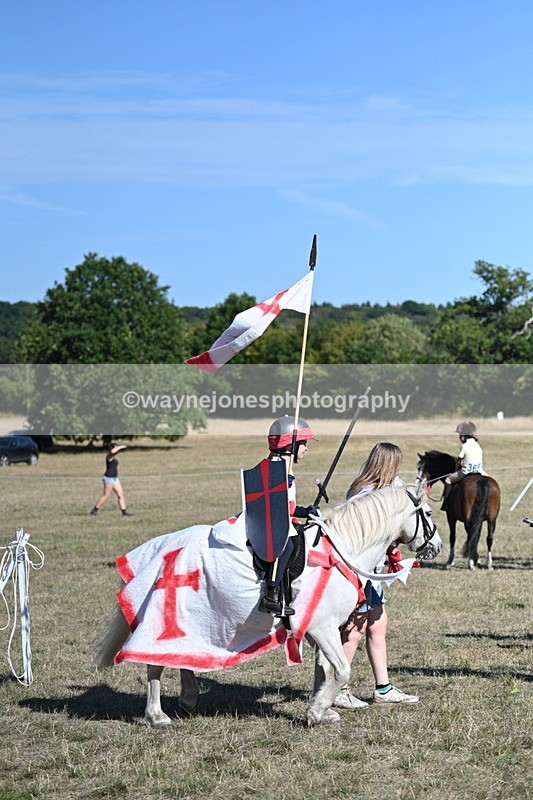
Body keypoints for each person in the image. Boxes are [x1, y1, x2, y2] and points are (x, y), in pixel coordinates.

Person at [333, 442, 419, 709]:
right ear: (387, 466)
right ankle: (336, 689)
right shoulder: (364, 494)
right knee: (354, 630)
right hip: (360, 573)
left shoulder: (383, 491)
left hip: (375, 573)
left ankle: (383, 688)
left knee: (378, 625)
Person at [257, 415, 318, 616]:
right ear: (290, 445)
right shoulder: (275, 467)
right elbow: (272, 502)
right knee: (287, 543)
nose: (306, 449)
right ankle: (270, 594)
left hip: (283, 517)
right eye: (304, 444)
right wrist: (281, 483)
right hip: (269, 521)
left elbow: (288, 507)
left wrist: (305, 511)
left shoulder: (285, 468)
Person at [441, 420, 487, 511]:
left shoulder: (465, 446)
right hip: (480, 471)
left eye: (460, 435)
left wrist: (456, 469)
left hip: (466, 471)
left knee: (448, 480)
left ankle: (446, 503)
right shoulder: (478, 445)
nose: (459, 437)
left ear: (464, 435)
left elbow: (459, 460)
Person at [90, 442, 134, 517]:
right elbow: (112, 451)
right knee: (106, 495)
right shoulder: (109, 456)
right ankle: (94, 510)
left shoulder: (114, 457)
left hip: (115, 478)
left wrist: (120, 448)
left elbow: (114, 451)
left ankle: (124, 511)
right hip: (108, 478)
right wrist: (120, 447)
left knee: (121, 494)